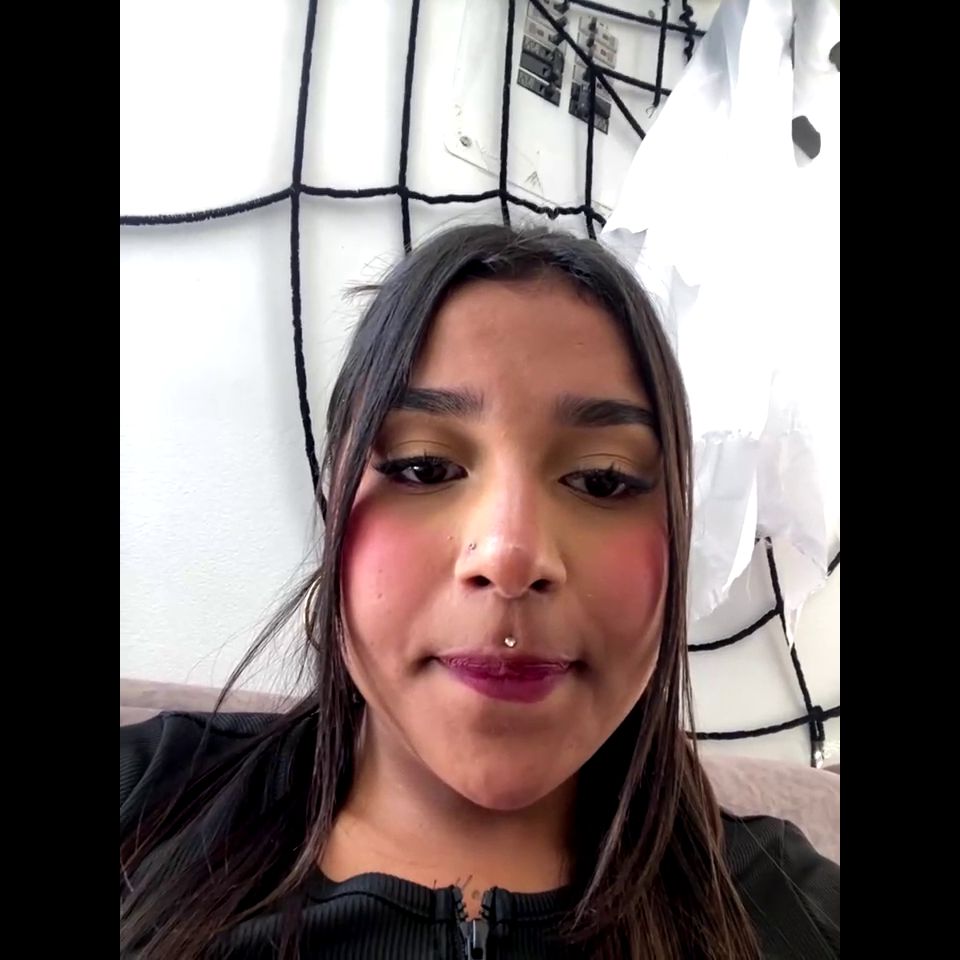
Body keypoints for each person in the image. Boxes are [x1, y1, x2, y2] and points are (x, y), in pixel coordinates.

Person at [120, 224, 839, 959]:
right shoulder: (147, 797)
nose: (510, 556)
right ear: (334, 507)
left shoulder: (803, 915)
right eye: (424, 467)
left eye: (602, 479)